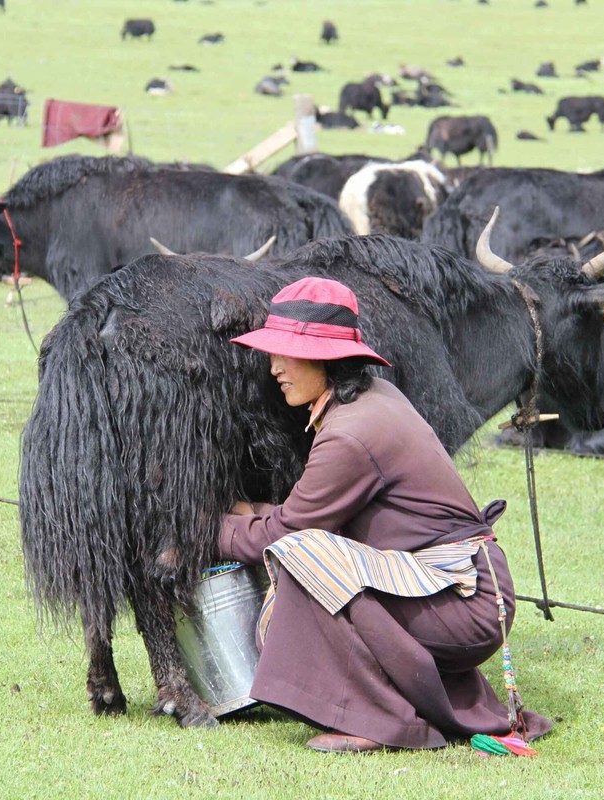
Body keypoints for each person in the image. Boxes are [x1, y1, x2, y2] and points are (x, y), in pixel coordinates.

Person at [218, 276, 553, 754]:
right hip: (466, 588)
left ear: (326, 358)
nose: (273, 368)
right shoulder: (372, 399)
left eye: (286, 353)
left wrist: (207, 529)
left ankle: (381, 720)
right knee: (311, 552)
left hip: (464, 600)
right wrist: (249, 511)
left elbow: (289, 532)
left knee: (305, 560)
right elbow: (305, 513)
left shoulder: (351, 431)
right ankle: (415, 705)